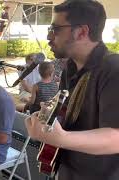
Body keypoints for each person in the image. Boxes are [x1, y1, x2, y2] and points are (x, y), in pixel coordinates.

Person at [25, 1, 119, 180]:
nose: (48, 37)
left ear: (82, 32)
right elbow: (68, 115)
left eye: (55, 29)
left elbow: (116, 137)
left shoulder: (113, 69)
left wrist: (60, 138)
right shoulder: (69, 67)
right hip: (68, 170)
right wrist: (49, 116)